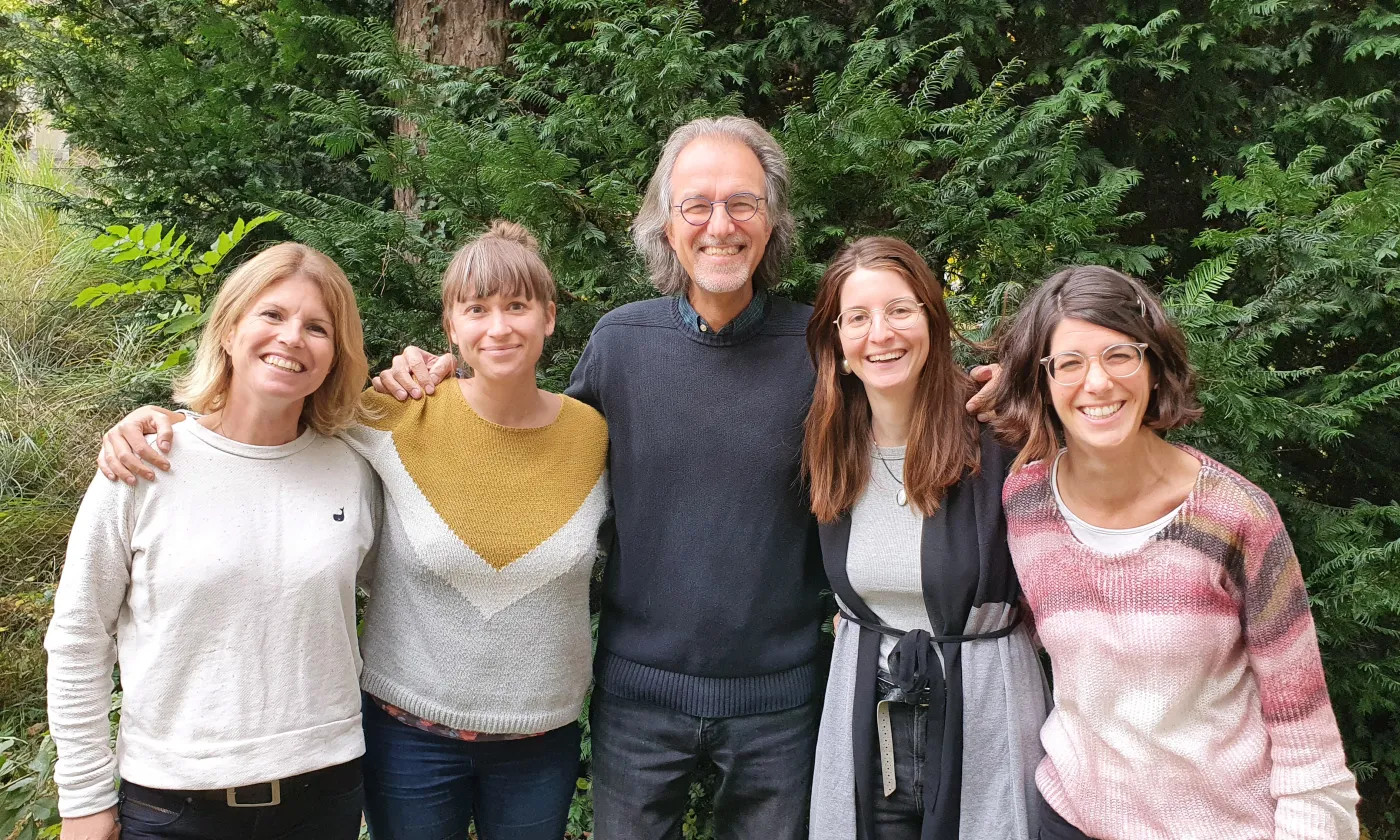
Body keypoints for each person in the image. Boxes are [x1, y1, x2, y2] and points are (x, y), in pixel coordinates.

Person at [92, 222, 609, 840]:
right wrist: (161, 423)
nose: (498, 327)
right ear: (451, 326)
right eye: (477, 309)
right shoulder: (389, 417)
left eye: (518, 307)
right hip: (406, 738)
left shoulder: (593, 434)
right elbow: (260, 426)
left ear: (550, 317)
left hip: (539, 740)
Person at [990, 265, 1361, 840]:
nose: (1097, 383)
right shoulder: (1025, 500)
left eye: (1120, 355)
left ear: (1154, 365)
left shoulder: (1235, 515)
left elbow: (1302, 724)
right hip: (1067, 817)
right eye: (1069, 363)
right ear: (1041, 382)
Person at [46, 243, 378, 840]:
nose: (292, 337)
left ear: (336, 355)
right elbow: (77, 637)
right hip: (172, 806)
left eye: (317, 327)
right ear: (228, 330)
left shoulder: (353, 470)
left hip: (324, 794)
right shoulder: (143, 464)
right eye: (272, 315)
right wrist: (85, 798)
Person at [803, 237, 1049, 840]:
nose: (879, 334)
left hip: (985, 714)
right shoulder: (829, 447)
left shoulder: (1001, 437)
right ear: (837, 342)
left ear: (932, 320)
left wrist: (1021, 384)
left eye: (900, 310)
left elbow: (1087, 384)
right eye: (857, 318)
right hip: (869, 723)